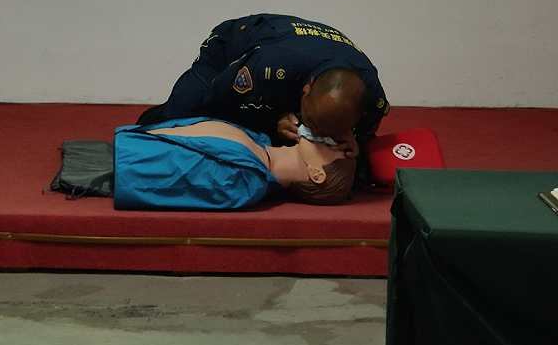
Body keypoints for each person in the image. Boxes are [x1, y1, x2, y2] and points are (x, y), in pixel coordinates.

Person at [138, 14, 389, 159]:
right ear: (308, 88)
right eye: (311, 122)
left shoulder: (373, 100)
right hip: (230, 50)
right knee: (184, 118)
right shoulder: (269, 66)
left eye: (325, 130)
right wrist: (273, 121)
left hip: (294, 67)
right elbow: (218, 100)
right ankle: (155, 118)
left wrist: (356, 143)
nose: (316, 132)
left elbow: (364, 139)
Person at [113, 117, 356, 210]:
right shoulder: (257, 144)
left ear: (316, 174)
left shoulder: (245, 181)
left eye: (331, 148)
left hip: (116, 164)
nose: (329, 140)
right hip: (124, 146)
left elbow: (165, 175)